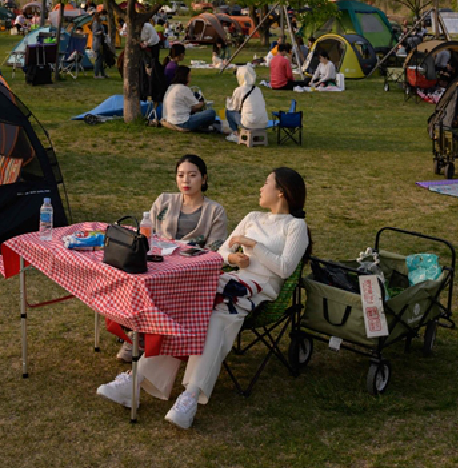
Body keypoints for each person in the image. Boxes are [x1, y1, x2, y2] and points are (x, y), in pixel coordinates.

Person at [97, 167, 310, 429]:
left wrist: (254, 246)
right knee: (187, 310)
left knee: (218, 318)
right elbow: (221, 252)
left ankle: (190, 397)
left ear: (281, 192)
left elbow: (286, 268)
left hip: (259, 289)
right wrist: (232, 258)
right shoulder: (253, 217)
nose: (260, 188)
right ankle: (135, 380)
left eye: (266, 183)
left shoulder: (296, 227)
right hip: (233, 279)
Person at [112, 154, 230, 361]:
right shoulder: (164, 200)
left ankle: (141, 337)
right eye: (181, 175)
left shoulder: (215, 211)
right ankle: (135, 332)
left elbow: (215, 251)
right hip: (158, 263)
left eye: (192, 175)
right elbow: (149, 234)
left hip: (192, 270)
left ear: (204, 178)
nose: (186, 180)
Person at [162, 66, 217, 132]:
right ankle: (196, 128)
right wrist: (203, 103)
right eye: (189, 76)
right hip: (182, 122)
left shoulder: (171, 87)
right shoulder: (183, 89)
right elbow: (196, 106)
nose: (190, 78)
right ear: (185, 77)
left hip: (170, 119)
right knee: (211, 112)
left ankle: (200, 128)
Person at [224, 64, 268, 142]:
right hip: (263, 123)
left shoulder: (239, 90)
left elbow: (234, 108)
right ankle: (255, 136)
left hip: (249, 123)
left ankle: (235, 134)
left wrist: (228, 101)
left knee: (228, 112)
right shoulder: (258, 89)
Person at [91, 11, 110, 79]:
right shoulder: (95, 23)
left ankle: (102, 73)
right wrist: (100, 32)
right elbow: (94, 33)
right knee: (98, 58)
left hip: (101, 42)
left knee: (101, 59)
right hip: (97, 43)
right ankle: (96, 74)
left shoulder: (100, 23)